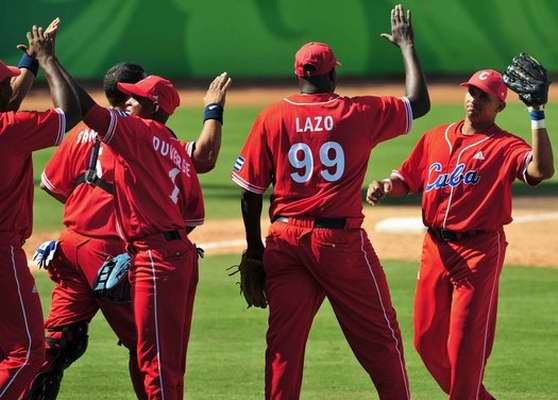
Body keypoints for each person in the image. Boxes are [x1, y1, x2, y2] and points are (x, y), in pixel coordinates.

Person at [231, 4, 430, 399]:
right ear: (332, 73)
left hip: (284, 241)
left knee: (283, 349)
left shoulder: (272, 117)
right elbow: (418, 103)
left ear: (297, 75)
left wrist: (255, 251)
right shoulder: (357, 112)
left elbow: (250, 193)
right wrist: (407, 47)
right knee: (380, 340)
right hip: (338, 245)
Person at [26, 60, 226, 399]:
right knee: (146, 347)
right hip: (119, 251)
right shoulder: (155, 139)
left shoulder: (88, 133)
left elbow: (53, 185)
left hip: (72, 244)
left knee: (56, 343)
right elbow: (201, 167)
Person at [367, 68, 554, 399]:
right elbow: (407, 179)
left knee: (465, 352)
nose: (474, 100)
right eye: (471, 92)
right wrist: (386, 186)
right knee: (425, 341)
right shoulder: (436, 137)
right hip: (435, 248)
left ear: (499, 106)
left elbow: (541, 170)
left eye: (484, 96)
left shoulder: (506, 145)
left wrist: (537, 114)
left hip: (478, 252)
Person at [0, 22, 80, 399]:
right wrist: (47, 61)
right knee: (28, 354)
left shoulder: (8, 126)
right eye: (5, 81)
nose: (10, 85)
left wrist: (26, 60)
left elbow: (9, 100)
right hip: (1, 254)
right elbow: (70, 113)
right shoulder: (9, 131)